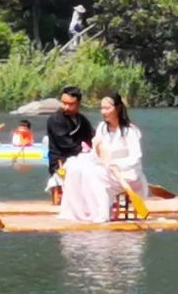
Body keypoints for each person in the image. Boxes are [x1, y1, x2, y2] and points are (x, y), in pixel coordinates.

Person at [58, 94, 148, 223]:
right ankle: (84, 211)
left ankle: (103, 213)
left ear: (117, 109)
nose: (103, 112)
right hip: (105, 167)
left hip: (127, 172)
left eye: (107, 108)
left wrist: (116, 165)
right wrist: (97, 148)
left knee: (96, 173)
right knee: (76, 167)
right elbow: (97, 154)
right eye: (101, 108)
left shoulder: (130, 131)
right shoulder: (102, 127)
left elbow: (135, 157)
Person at [45, 86, 94, 196]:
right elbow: (67, 145)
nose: (66, 107)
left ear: (78, 104)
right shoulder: (55, 120)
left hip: (80, 157)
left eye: (70, 104)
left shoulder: (82, 120)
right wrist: (87, 153)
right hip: (61, 161)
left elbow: (92, 137)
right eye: (63, 103)